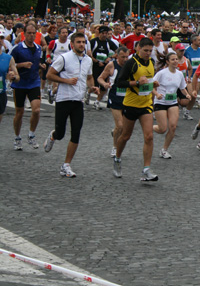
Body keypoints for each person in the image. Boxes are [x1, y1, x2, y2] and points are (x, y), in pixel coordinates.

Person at [43, 32, 97, 177]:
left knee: (76, 133)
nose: (81, 45)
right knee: (61, 134)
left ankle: (66, 165)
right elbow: (49, 75)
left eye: (83, 42)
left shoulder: (88, 60)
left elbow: (90, 77)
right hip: (63, 99)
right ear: (72, 44)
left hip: (78, 101)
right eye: (78, 42)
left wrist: (92, 87)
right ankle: (53, 135)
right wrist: (66, 81)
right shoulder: (64, 58)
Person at [112, 37, 160, 182]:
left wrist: (153, 84)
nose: (148, 53)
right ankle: (117, 158)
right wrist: (137, 82)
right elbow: (119, 82)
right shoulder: (131, 63)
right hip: (131, 104)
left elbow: (148, 82)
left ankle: (146, 169)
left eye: (150, 51)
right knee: (126, 136)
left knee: (149, 136)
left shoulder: (152, 62)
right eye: (145, 50)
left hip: (146, 104)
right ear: (138, 48)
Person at [11, 23, 45, 150]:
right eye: (29, 33)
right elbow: (11, 64)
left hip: (34, 82)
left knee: (36, 110)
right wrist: (22, 65)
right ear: (24, 34)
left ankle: (31, 134)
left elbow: (38, 62)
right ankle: (17, 137)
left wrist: (41, 66)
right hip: (20, 83)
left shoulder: (38, 48)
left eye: (33, 33)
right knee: (19, 112)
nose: (31, 35)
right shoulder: (17, 48)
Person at [152, 52, 192, 159]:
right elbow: (151, 85)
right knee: (162, 129)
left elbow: (182, 87)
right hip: (160, 102)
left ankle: (164, 150)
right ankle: (148, 127)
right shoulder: (161, 73)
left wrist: (187, 94)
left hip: (173, 102)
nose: (175, 61)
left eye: (176, 59)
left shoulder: (179, 74)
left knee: (173, 127)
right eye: (173, 59)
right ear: (167, 62)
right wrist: (156, 94)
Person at [97, 46, 129, 157]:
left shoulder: (130, 65)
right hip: (115, 96)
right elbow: (100, 78)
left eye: (126, 57)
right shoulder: (111, 65)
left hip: (128, 98)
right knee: (120, 126)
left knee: (124, 128)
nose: (125, 59)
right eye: (122, 57)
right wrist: (104, 84)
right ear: (117, 56)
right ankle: (115, 147)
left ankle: (115, 132)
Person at [0, 36, 19, 124]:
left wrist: (13, 77)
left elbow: (17, 77)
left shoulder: (8, 58)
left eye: (1, 38)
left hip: (1, 93)